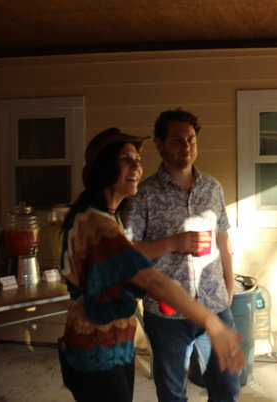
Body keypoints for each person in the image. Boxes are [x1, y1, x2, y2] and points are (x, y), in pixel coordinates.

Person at [58, 127, 244, 402]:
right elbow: (151, 280)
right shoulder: (96, 223)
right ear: (104, 167)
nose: (136, 167)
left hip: (114, 346)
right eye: (126, 159)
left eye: (137, 160)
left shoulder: (107, 217)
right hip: (96, 351)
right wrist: (211, 322)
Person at [125, 109, 240, 401]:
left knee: (227, 389)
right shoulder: (143, 194)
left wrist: (228, 289)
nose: (186, 146)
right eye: (177, 139)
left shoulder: (212, 188)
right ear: (159, 144)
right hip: (167, 314)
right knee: (172, 393)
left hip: (214, 304)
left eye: (191, 139)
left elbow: (223, 240)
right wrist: (173, 243)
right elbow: (128, 252)